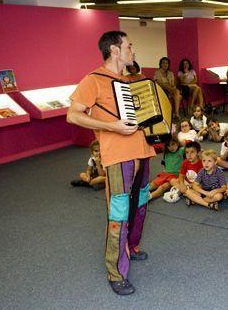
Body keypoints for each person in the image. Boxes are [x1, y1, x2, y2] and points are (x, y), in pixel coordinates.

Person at [66, 31, 156, 295]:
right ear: (115, 50)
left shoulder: (127, 80)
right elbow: (73, 115)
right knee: (118, 212)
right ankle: (115, 271)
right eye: (130, 45)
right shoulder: (93, 80)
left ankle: (132, 245)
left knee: (140, 203)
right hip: (117, 155)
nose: (133, 50)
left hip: (142, 151)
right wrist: (112, 127)